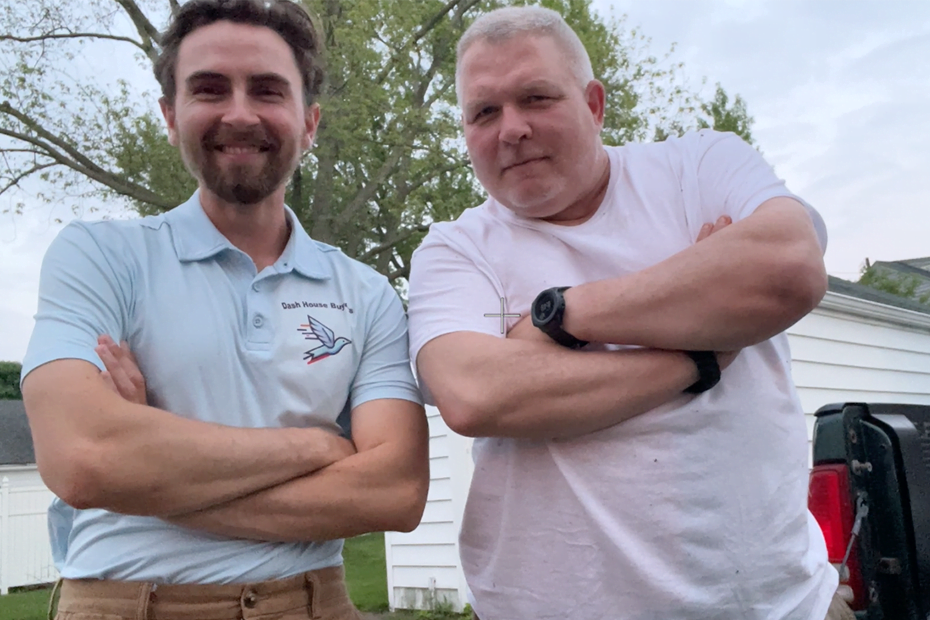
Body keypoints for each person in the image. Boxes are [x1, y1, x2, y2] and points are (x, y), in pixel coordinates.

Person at [407, 6, 854, 620]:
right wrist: (703, 350)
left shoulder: (698, 167)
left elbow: (790, 269)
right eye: (484, 111)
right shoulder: (454, 249)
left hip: (780, 607)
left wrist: (559, 317)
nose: (511, 128)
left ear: (594, 104)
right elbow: (475, 396)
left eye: (536, 98)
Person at [19, 1, 428, 619]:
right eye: (209, 89)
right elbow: (84, 458)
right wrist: (317, 448)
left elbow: (396, 491)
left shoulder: (366, 293)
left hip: (316, 605)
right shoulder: (100, 255)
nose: (240, 114)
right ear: (170, 115)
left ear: (309, 122)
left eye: (267, 90)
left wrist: (147, 474)